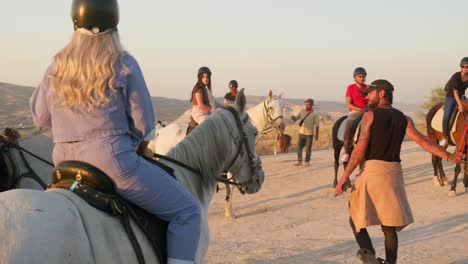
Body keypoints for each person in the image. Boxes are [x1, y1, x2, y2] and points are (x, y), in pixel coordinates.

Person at [29, 1, 201, 263]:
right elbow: (144, 123)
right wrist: (135, 142)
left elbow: (40, 116)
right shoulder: (123, 62)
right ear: (114, 25)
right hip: (114, 164)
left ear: (74, 22)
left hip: (64, 162)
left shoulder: (56, 66)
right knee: (188, 212)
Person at [334, 79, 460, 264]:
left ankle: (369, 257)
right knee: (389, 225)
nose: (367, 96)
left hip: (374, 171)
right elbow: (424, 141)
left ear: (382, 93)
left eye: (370, 93)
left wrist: (344, 177)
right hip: (394, 174)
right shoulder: (404, 118)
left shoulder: (370, 116)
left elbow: (360, 149)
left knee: (356, 218)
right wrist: (448, 156)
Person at [340, 67, 368, 162]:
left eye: (363, 76)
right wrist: (361, 109)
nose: (361, 78)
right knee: (349, 126)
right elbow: (348, 103)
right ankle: (346, 151)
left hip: (367, 112)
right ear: (355, 77)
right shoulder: (350, 88)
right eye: (359, 76)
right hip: (355, 112)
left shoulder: (368, 88)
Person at [441, 57, 468, 146]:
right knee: (447, 114)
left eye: (467, 67)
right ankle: (444, 137)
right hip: (451, 96)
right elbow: (455, 93)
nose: (465, 68)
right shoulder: (456, 76)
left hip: (461, 96)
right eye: (463, 66)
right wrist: (460, 105)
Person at [291, 98, 320, 167]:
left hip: (309, 134)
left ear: (311, 105)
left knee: (308, 149)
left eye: (308, 105)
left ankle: (307, 161)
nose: (306, 106)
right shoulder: (302, 111)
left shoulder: (315, 114)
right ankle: (300, 161)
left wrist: (317, 135)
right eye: (306, 104)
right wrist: (293, 118)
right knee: (299, 148)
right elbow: (296, 119)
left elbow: (317, 125)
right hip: (301, 132)